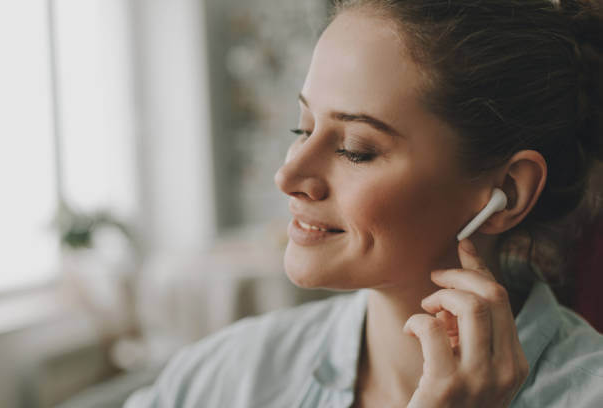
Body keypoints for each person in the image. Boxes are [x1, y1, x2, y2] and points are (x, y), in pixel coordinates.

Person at [124, 0, 603, 406]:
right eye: (303, 129)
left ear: (508, 194)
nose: (288, 175)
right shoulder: (227, 379)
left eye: (356, 149)